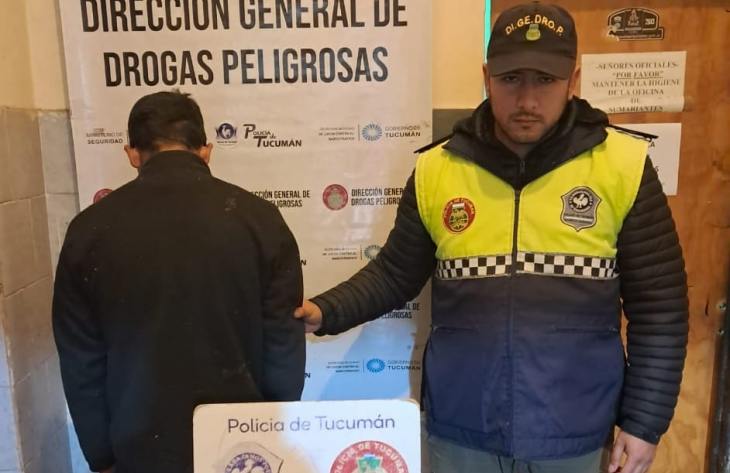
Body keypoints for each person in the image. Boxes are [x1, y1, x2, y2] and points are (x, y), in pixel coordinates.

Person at [295, 3, 689, 473]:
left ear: (573, 80)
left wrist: (644, 423)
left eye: (545, 80)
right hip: (462, 428)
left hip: (575, 433)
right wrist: (325, 310)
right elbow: (395, 273)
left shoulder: (623, 165)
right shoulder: (438, 168)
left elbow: (660, 308)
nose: (527, 100)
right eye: (510, 79)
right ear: (486, 78)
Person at [53, 91, 305, 473]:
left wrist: (101, 455)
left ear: (132, 154)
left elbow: (80, 358)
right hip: (242, 444)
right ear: (206, 151)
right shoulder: (261, 220)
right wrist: (273, 433)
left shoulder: (88, 231)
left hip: (138, 446)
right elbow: (283, 345)